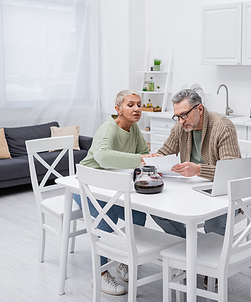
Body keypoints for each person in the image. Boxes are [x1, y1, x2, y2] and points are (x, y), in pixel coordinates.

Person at [73, 89, 156, 296]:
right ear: (118, 109)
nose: (137, 108)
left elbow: (144, 153)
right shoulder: (108, 128)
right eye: (131, 105)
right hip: (86, 187)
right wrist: (141, 159)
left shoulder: (134, 128)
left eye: (139, 104)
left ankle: (124, 261)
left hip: (111, 185)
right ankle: (99, 274)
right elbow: (102, 157)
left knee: (138, 213)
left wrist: (150, 161)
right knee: (107, 214)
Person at [151, 88, 241, 238]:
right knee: (157, 210)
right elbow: (165, 151)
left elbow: (230, 172)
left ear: (199, 108)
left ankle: (215, 259)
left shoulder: (223, 127)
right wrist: (154, 159)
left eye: (184, 115)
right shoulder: (181, 127)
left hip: (224, 192)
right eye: (177, 116)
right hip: (191, 189)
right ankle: (189, 245)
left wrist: (198, 170)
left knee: (214, 224)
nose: (181, 121)